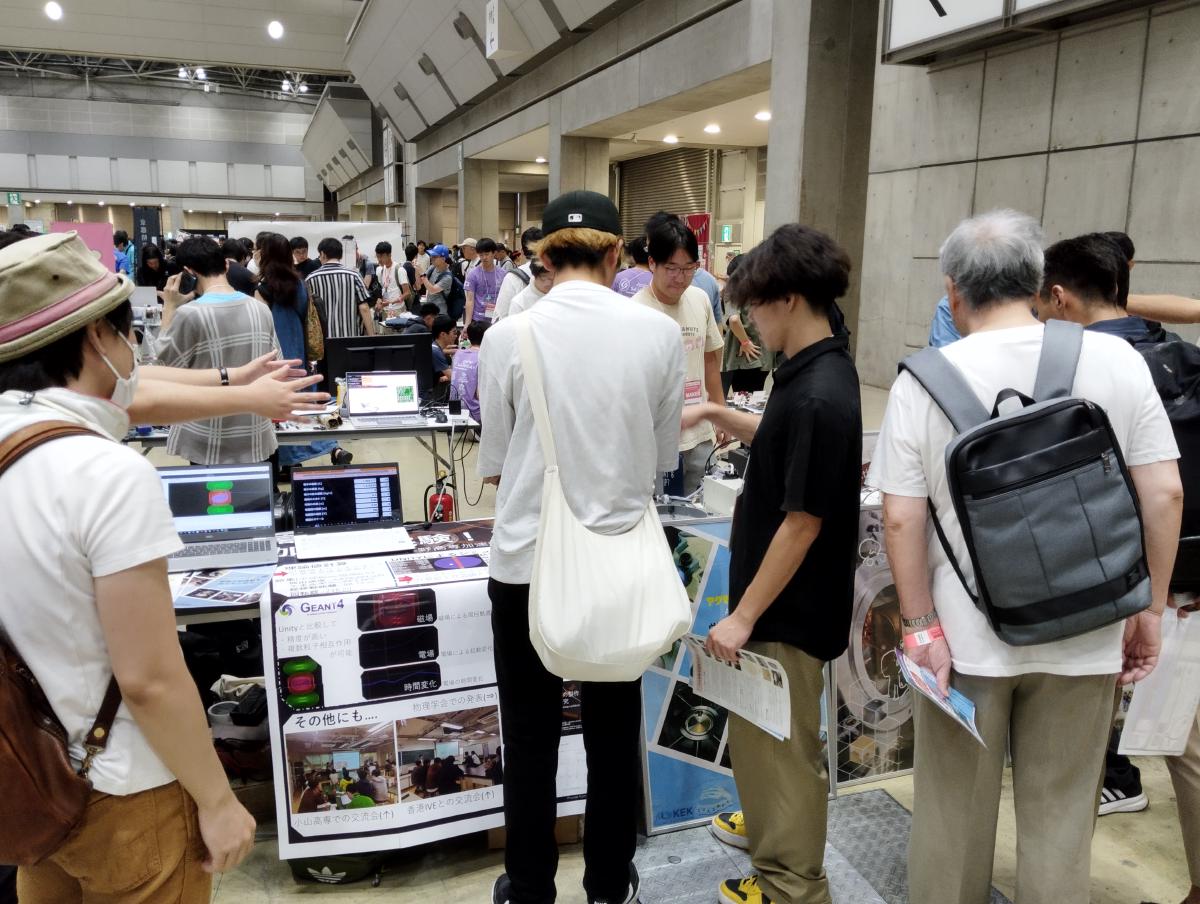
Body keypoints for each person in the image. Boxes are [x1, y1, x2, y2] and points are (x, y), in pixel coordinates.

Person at [868, 209, 1182, 904]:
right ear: (1038, 282)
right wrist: (1150, 608)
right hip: (1089, 626)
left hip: (968, 645)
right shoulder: (1114, 359)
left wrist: (920, 626)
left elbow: (900, 515)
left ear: (954, 291)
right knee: (1062, 825)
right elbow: (1163, 492)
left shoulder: (923, 379)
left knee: (952, 823)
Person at [0, 231, 257, 902]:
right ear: (95, 340)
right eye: (127, 335)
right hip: (124, 789)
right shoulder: (106, 472)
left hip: (28, 778)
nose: (133, 352)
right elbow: (148, 678)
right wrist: (218, 798)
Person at [478, 190, 685, 904]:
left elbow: (498, 462)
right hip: (617, 562)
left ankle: (531, 885)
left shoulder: (507, 336)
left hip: (528, 563)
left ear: (543, 256)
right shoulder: (657, 334)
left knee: (529, 739)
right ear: (615, 255)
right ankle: (608, 884)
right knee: (612, 730)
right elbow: (661, 456)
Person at [683, 225, 861, 904]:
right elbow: (784, 438)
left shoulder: (820, 392)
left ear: (786, 298)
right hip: (779, 604)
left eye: (754, 305)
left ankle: (791, 887)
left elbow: (803, 522)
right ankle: (772, 844)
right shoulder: (814, 367)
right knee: (764, 742)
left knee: (786, 754)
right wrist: (715, 411)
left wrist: (744, 616)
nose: (748, 319)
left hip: (786, 611)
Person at [156, 236, 280, 464]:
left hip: (206, 435)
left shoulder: (190, 314)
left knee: (214, 499)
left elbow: (162, 367)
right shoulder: (260, 309)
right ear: (225, 265)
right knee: (260, 499)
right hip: (254, 431)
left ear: (188, 273)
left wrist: (170, 307)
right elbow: (275, 366)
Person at [631, 212, 725, 496]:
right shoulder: (636, 311)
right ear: (652, 263)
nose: (680, 277)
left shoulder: (700, 299)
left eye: (688, 268)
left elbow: (710, 358)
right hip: (658, 440)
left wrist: (720, 413)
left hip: (700, 435)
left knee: (698, 515)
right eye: (671, 268)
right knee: (661, 518)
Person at [254, 233, 347, 468]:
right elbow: (307, 318)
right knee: (304, 409)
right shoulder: (299, 285)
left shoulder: (262, 289)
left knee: (279, 411)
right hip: (299, 356)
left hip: (273, 359)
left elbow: (260, 326)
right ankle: (330, 447)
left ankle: (288, 463)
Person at [1035, 233, 1174, 347]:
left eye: (1039, 311)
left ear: (1058, 298)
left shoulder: (1057, 361)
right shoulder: (1179, 353)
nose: (1040, 322)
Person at [720, 254, 775, 395]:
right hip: (765, 355)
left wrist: (745, 342)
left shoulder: (735, 292)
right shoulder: (766, 291)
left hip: (745, 356)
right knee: (756, 398)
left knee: (742, 400)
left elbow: (734, 320)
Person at [304, 237, 374, 339]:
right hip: (351, 338)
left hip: (324, 340)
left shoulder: (311, 278)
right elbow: (364, 308)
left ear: (322, 254)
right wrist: (372, 336)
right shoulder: (354, 275)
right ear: (340, 255)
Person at [494, 227, 543, 319]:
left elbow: (501, 314)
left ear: (522, 251)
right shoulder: (558, 274)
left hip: (520, 330)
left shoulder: (513, 277)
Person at [451, 319, 487, 424]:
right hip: (476, 418)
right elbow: (481, 394)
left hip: (455, 412)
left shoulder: (458, 354)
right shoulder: (483, 357)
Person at [466, 237, 505, 323]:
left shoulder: (503, 274)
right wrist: (467, 324)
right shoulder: (473, 274)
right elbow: (469, 300)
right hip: (478, 319)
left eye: (487, 254)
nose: (483, 258)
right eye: (481, 255)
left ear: (494, 253)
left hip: (497, 319)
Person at [374, 241, 412, 315]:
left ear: (389, 255)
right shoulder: (380, 270)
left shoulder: (399, 270)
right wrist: (379, 301)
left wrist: (391, 302)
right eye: (377, 256)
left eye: (381, 256)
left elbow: (407, 293)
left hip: (398, 309)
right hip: (385, 309)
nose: (379, 259)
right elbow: (382, 289)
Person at [420, 245, 454, 315]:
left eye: (435, 256)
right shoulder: (432, 267)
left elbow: (432, 290)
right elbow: (420, 282)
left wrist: (422, 274)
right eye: (431, 256)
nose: (431, 258)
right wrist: (416, 269)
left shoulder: (447, 277)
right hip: (430, 309)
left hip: (440, 312)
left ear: (443, 259)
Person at [431, 314, 458, 389]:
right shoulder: (436, 352)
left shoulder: (434, 346)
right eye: (454, 332)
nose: (456, 336)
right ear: (443, 334)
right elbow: (453, 378)